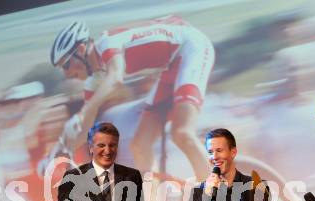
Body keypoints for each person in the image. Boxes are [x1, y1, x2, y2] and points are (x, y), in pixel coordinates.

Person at [49, 15, 215, 178]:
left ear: (81, 50)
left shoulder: (107, 43)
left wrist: (84, 111)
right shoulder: (94, 80)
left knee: (182, 133)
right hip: (171, 65)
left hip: (192, 48)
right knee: (139, 144)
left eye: (66, 65)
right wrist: (59, 153)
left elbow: (115, 78)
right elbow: (84, 129)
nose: (68, 74)